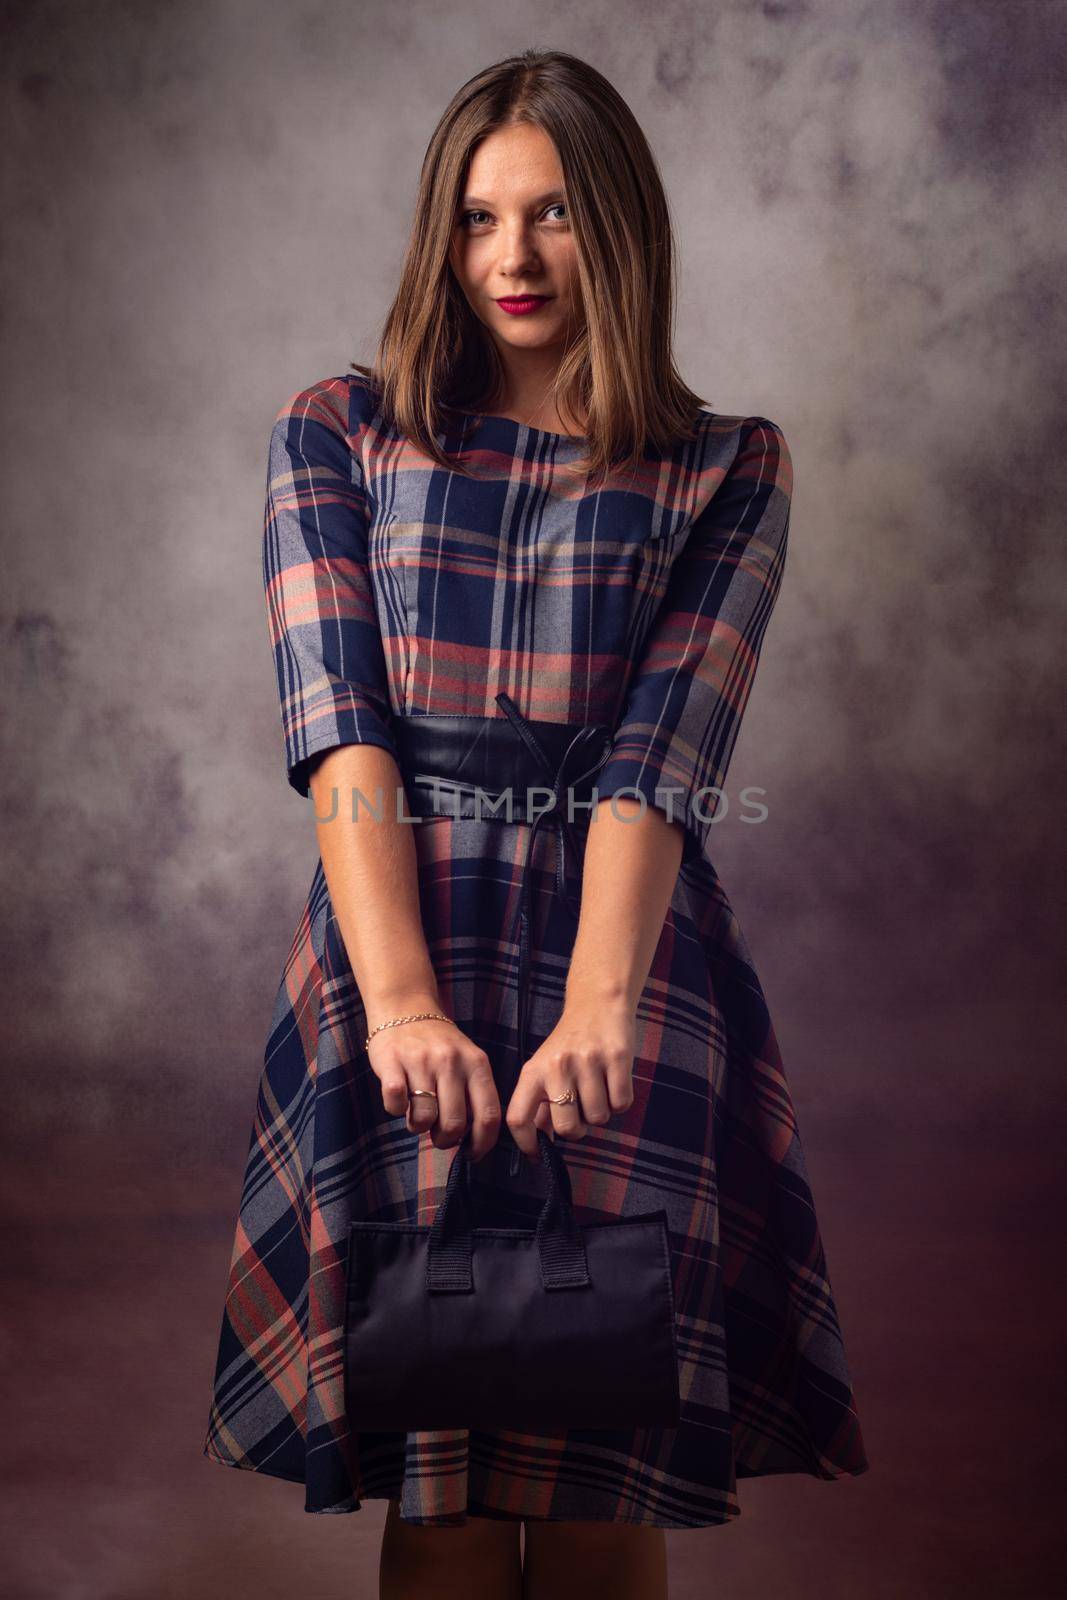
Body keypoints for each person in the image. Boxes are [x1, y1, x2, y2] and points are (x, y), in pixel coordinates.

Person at [203, 47, 868, 1600]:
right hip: (394, 966)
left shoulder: (725, 467)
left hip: (620, 980)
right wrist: (404, 1002)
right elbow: (341, 730)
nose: (510, 258)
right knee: (436, 1486)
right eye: (478, 217)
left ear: (618, 228)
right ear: (442, 234)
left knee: (592, 1478)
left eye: (554, 214)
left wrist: (598, 1008)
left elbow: (661, 755)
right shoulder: (339, 433)